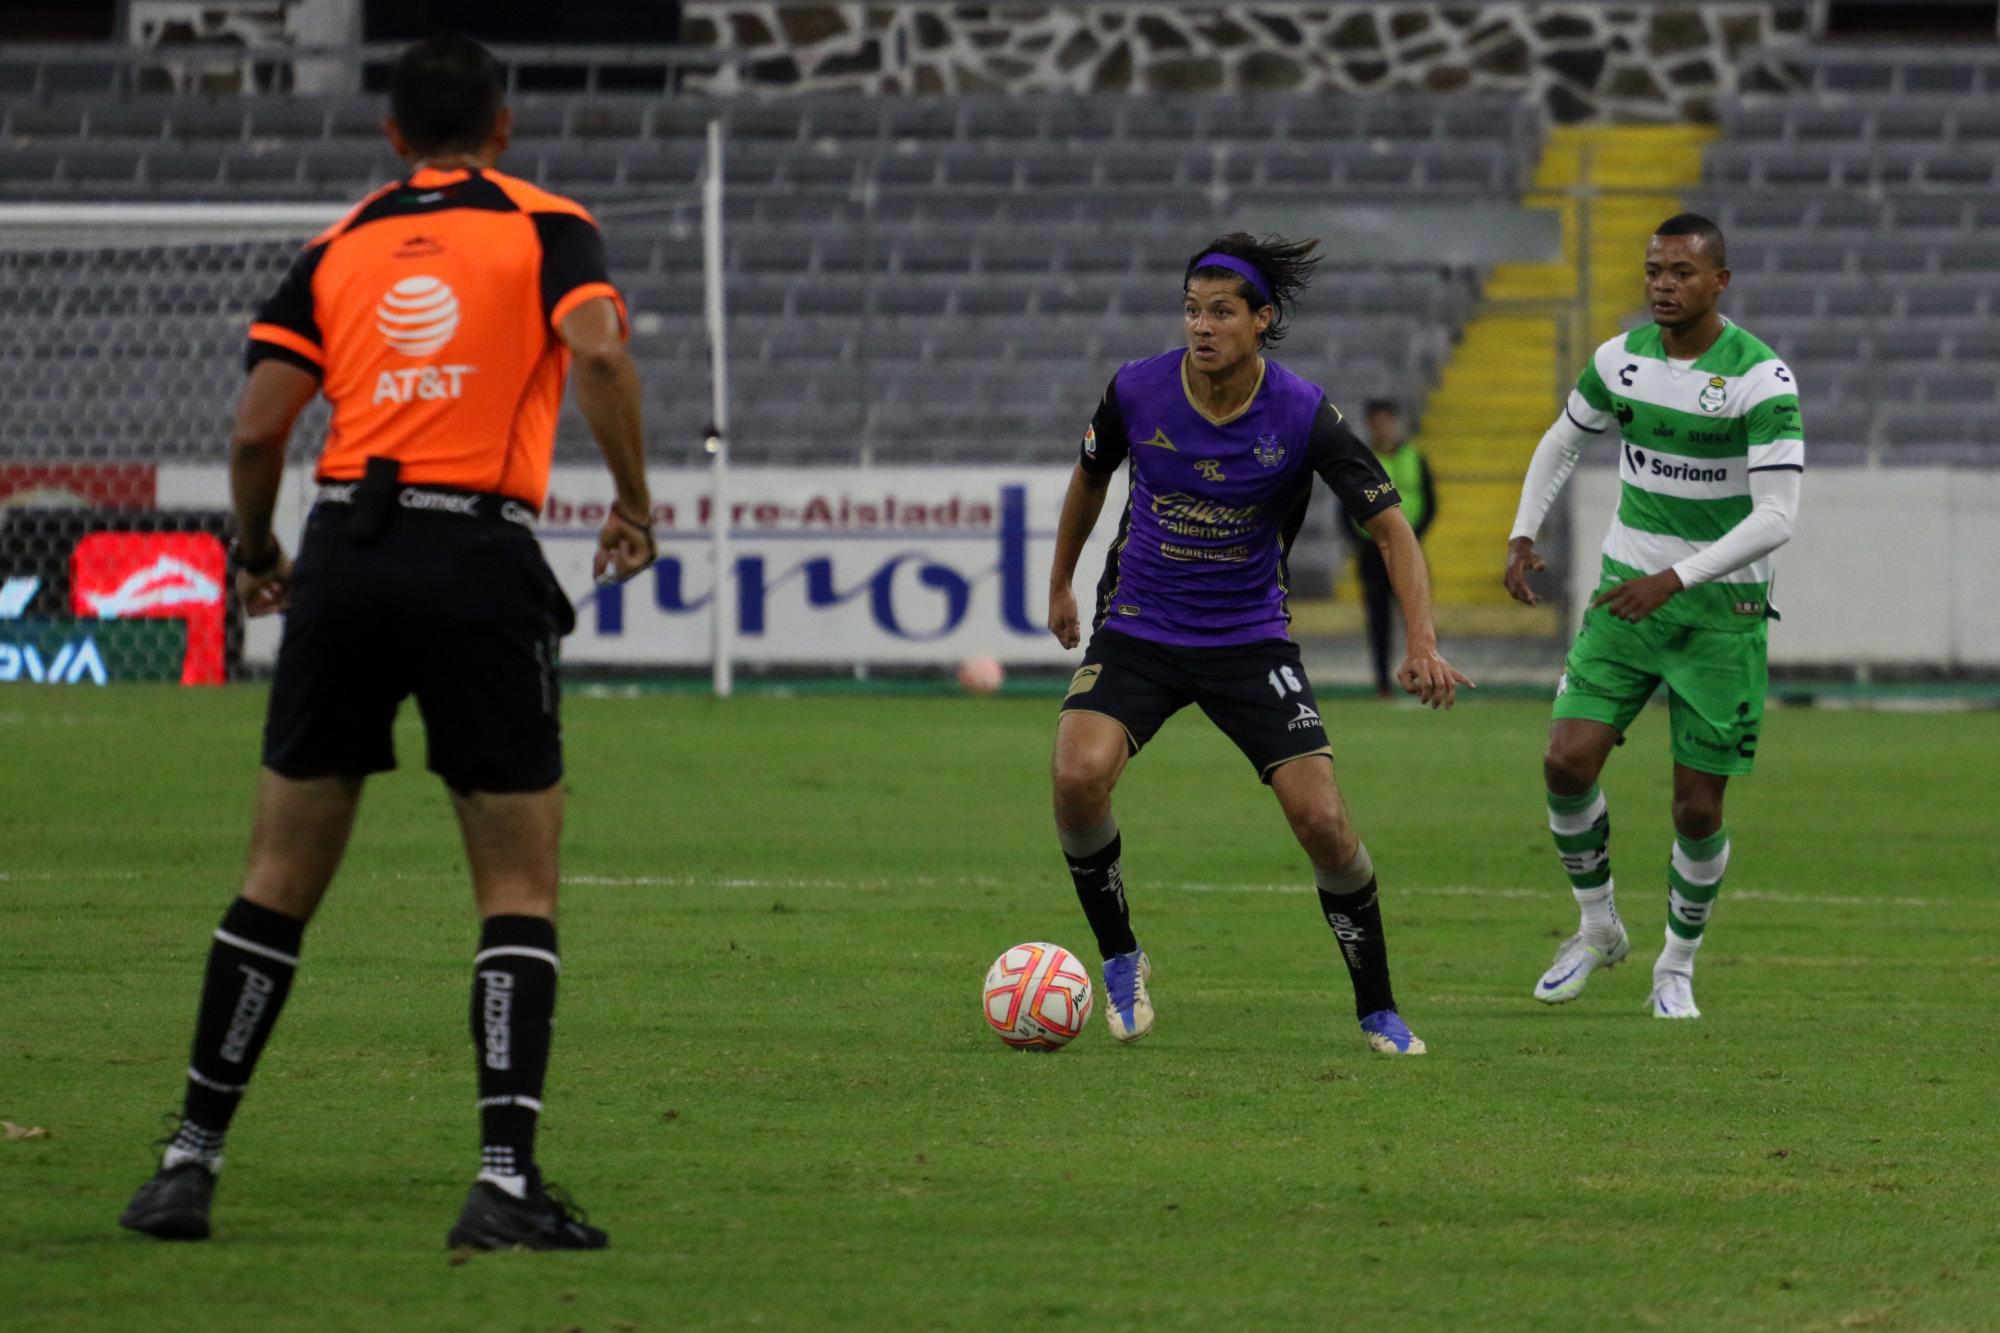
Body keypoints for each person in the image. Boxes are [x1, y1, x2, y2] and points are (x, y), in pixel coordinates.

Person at [118, 34, 657, 1250]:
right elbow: (601, 351)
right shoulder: (544, 225)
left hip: (346, 560)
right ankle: (503, 1185)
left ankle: (186, 1164)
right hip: (476, 558)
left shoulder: (337, 247)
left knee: (275, 880)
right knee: (515, 886)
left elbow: (259, 427)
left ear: (392, 136)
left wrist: (256, 552)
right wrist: (633, 499)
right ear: (503, 128)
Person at [1047, 232, 1471, 1057]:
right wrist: (1062, 581)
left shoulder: (1303, 412)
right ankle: (1121, 955)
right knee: (1076, 773)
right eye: (1191, 310)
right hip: (1140, 626)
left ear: (1261, 320)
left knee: (1323, 822)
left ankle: (1378, 1006)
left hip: (1250, 640)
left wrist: (1422, 638)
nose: (1201, 327)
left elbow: (1390, 527)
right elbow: (1091, 476)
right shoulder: (1137, 390)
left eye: (1221, 312)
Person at [1503, 213, 1803, 1020]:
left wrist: (1675, 578)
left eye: (1681, 272)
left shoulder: (1761, 379)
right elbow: (1563, 440)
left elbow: (1777, 517)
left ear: (1719, 282)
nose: (1664, 285)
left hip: (1718, 611)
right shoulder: (1621, 359)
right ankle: (1598, 928)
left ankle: (1676, 964)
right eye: (1654, 270)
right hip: (1626, 594)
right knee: (1566, 761)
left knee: (1697, 808)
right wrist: (1523, 529)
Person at [1347, 399, 1438, 697]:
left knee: (1415, 615)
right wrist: (1363, 540)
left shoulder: (1415, 458)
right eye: (1377, 421)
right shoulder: (1359, 460)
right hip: (1372, 554)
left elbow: (1430, 503)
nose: (1383, 427)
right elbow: (1344, 506)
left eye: (1388, 420)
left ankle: (1425, 673)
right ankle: (1382, 683)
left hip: (1410, 550)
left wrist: (1411, 538)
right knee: (1379, 621)